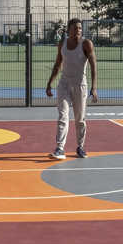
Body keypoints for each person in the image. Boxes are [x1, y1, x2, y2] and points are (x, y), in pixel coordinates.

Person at [45, 18, 98, 160]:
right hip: (64, 85)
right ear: (69, 29)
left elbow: (93, 65)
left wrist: (94, 88)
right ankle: (60, 148)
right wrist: (50, 83)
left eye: (80, 28)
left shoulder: (86, 44)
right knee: (63, 116)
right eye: (76, 28)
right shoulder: (62, 44)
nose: (79, 31)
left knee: (80, 119)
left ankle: (80, 146)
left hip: (80, 85)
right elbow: (57, 64)